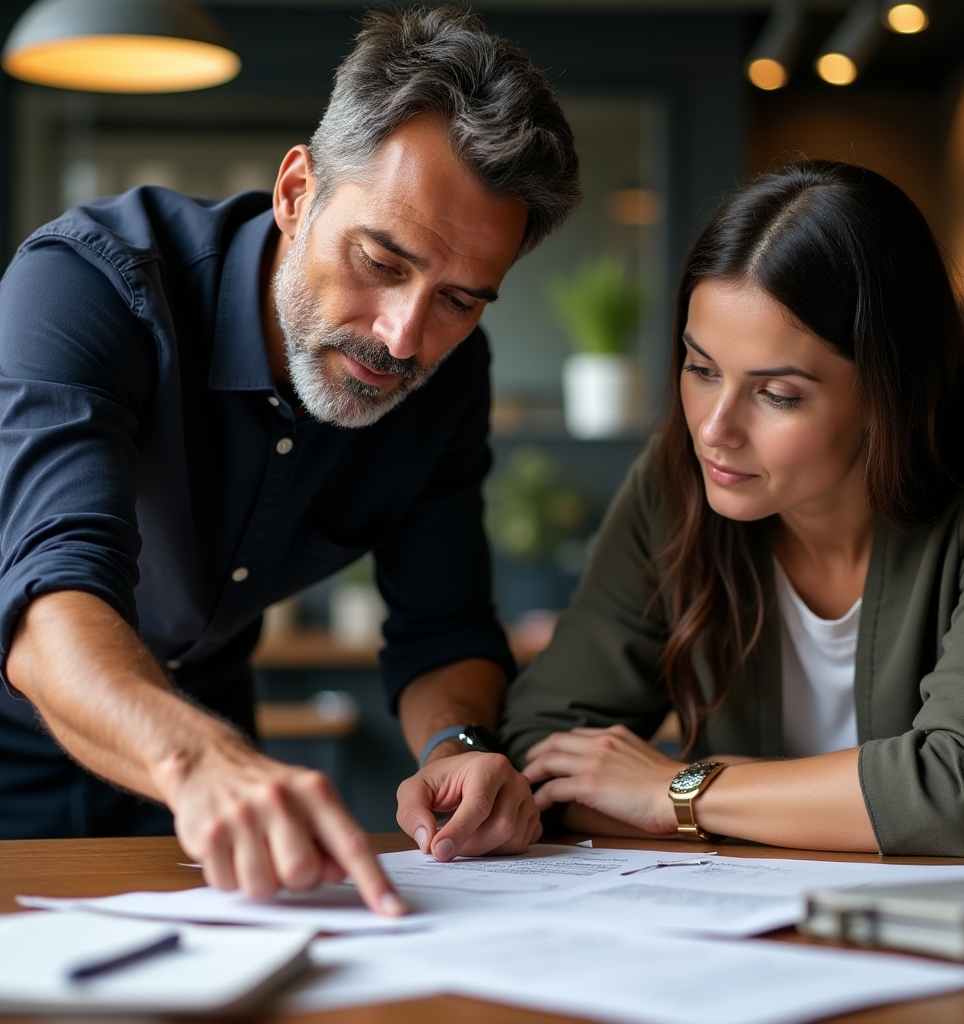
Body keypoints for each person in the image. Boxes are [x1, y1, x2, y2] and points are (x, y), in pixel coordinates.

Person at [0, 6, 582, 911]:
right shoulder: (85, 285)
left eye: (461, 299)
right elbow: (51, 602)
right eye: (382, 262)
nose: (404, 336)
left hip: (206, 761)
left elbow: (442, 629)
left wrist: (459, 750)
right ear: (296, 192)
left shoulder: (445, 375)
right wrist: (201, 761)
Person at [503, 160, 964, 857]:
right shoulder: (675, 486)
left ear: (890, 393)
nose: (715, 427)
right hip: (763, 938)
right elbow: (543, 751)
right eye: (700, 368)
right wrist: (813, 802)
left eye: (777, 394)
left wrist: (676, 792)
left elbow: (954, 793)